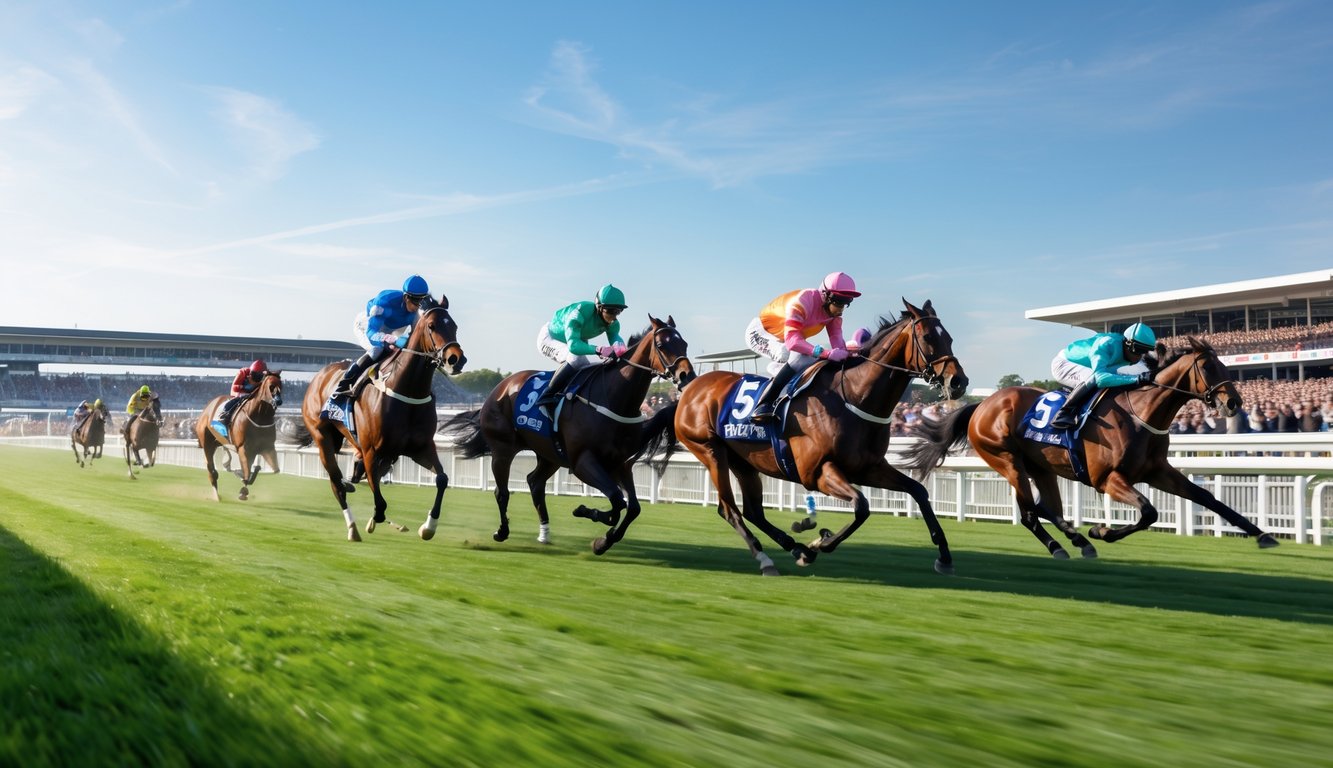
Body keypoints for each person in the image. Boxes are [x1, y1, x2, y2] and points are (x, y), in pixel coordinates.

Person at [744, 271, 861, 424]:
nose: (841, 309)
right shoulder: (803, 301)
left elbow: (838, 344)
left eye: (845, 303)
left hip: (787, 338)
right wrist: (825, 353)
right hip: (761, 333)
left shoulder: (834, 316)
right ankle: (764, 404)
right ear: (826, 295)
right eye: (838, 302)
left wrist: (848, 356)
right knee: (789, 355)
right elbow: (793, 342)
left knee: (810, 360)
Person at [330, 275, 432, 399]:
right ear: (406, 297)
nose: (419, 306)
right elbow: (371, 333)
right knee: (377, 350)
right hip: (368, 325)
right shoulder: (385, 301)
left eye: (422, 300)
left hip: (393, 328)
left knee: (406, 352)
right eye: (416, 301)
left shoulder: (418, 310)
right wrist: (391, 339)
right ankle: (343, 386)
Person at [534, 284, 629, 413]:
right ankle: (546, 396)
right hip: (550, 338)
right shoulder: (580, 312)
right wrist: (599, 350)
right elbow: (573, 346)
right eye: (611, 311)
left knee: (586, 368)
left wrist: (623, 350)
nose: (614, 316)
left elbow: (616, 340)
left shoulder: (612, 323)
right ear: (599, 308)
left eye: (618, 311)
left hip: (574, 340)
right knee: (576, 360)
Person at [1048, 322, 1156, 430]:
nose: (1138, 355)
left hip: (1089, 367)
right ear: (1127, 343)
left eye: (1143, 351)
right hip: (1063, 364)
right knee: (1093, 377)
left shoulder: (1127, 350)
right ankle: (1063, 413)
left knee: (1117, 380)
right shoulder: (1106, 344)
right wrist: (1136, 379)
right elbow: (1101, 379)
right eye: (1137, 350)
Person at [219, 360, 268, 427]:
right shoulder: (243, 372)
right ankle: (225, 415)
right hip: (239, 394)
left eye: (259, 376)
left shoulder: (265, 377)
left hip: (253, 395)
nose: (257, 377)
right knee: (233, 403)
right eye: (254, 375)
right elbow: (234, 388)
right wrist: (245, 387)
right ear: (250, 372)